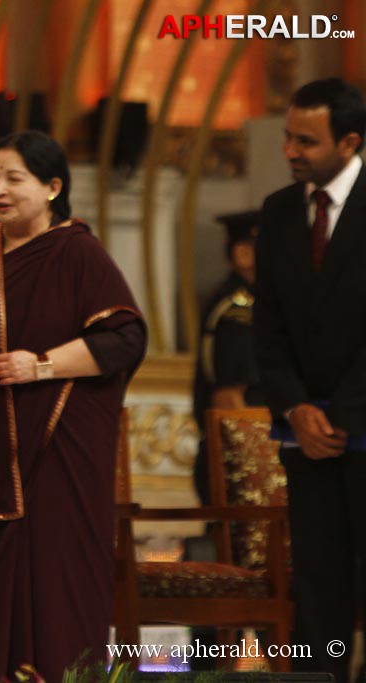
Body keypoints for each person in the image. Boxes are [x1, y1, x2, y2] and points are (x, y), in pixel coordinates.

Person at [0, 131, 146, 681]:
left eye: (15, 179)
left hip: (61, 462)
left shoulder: (79, 253)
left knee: (56, 593)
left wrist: (40, 365)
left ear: (53, 187)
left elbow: (125, 338)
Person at [254, 77, 366, 683]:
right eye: (288, 137)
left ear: (349, 142)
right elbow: (265, 324)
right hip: (304, 430)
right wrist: (296, 406)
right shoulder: (277, 211)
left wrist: (342, 416)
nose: (292, 151)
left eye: (307, 140)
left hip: (362, 423)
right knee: (319, 582)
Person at [191, 210, 264, 504]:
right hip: (242, 468)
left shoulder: (260, 304)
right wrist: (257, 469)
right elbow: (229, 402)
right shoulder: (238, 312)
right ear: (244, 254)